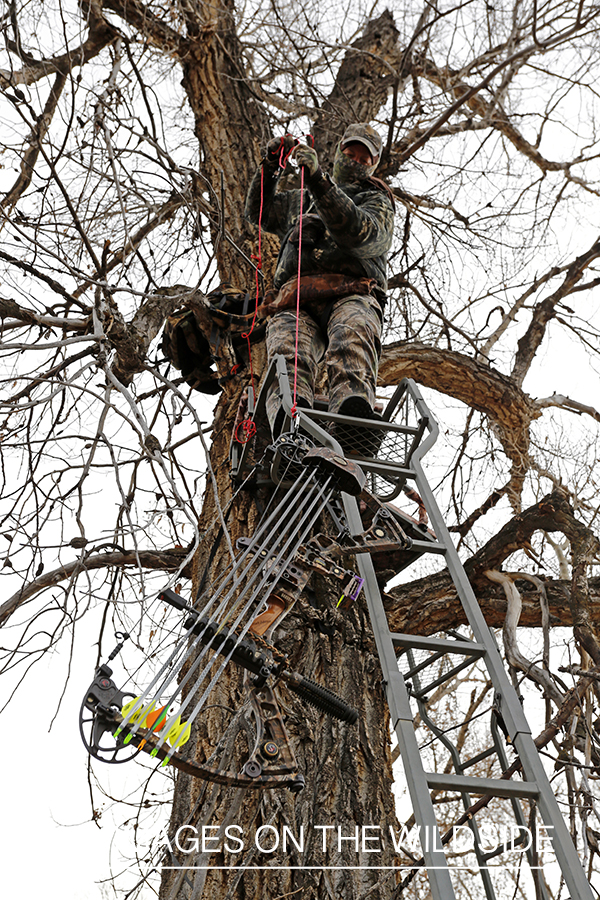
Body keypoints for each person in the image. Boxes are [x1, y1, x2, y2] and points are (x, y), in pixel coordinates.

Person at [244, 123, 394, 439]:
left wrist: (319, 181)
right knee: (286, 354)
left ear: (374, 165)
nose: (355, 160)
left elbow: (359, 234)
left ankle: (353, 424)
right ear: (338, 152)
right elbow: (258, 211)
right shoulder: (300, 199)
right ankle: (289, 428)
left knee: (350, 337)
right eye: (349, 152)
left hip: (351, 289)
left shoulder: (376, 200)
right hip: (294, 296)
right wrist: (271, 165)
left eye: (364, 158)